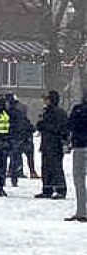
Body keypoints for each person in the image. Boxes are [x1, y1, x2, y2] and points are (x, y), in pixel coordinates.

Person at [35, 91, 70, 199]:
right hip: (47, 144)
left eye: (47, 99)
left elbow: (61, 128)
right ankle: (47, 189)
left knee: (56, 168)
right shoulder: (47, 111)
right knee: (46, 168)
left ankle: (60, 189)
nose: (44, 101)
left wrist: (44, 126)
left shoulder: (58, 113)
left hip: (55, 145)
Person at [66, 90, 87, 223]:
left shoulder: (78, 110)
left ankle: (82, 211)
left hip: (80, 146)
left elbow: (70, 126)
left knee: (79, 179)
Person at [6, 95, 37, 183]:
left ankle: (13, 172)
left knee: (15, 156)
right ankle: (30, 172)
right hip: (24, 137)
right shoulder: (20, 113)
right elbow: (29, 125)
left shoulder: (7, 113)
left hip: (16, 137)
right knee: (27, 156)